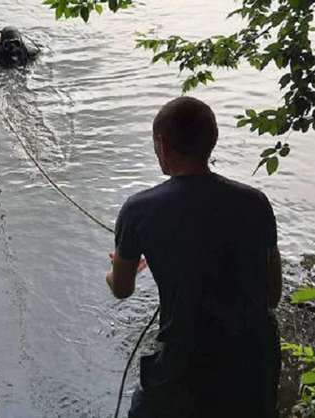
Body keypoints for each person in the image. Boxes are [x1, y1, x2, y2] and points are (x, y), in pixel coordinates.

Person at [106, 97, 282, 418]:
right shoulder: (256, 202)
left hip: (184, 369)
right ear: (212, 139)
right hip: (251, 368)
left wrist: (116, 266)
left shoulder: (138, 209)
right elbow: (273, 295)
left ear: (161, 143)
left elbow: (121, 288)